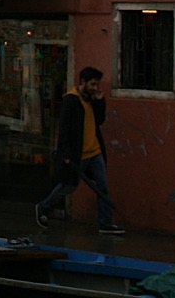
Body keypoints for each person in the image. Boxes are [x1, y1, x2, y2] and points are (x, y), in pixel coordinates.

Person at [35, 67, 124, 235]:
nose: (96, 88)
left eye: (97, 84)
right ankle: (44, 207)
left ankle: (105, 223)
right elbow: (65, 130)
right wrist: (66, 154)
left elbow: (99, 120)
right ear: (83, 82)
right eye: (93, 84)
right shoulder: (71, 101)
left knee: (103, 187)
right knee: (68, 185)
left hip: (95, 152)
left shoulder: (91, 99)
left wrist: (100, 101)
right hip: (78, 154)